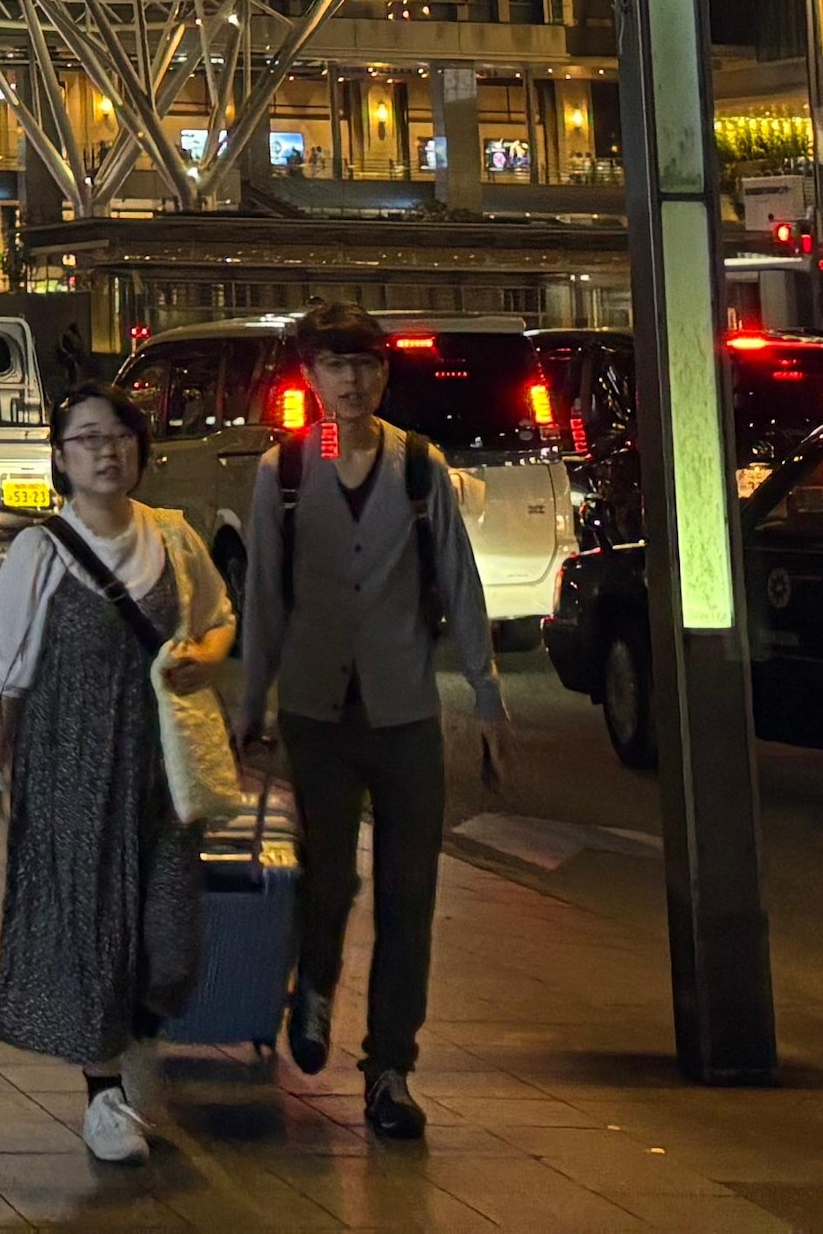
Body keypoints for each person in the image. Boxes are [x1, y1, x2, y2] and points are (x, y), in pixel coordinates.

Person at [232, 299, 506, 1141]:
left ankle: (390, 1067)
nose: (350, 382)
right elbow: (266, 601)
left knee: (409, 896)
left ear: (383, 375)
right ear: (310, 378)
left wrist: (488, 702)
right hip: (316, 711)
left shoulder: (418, 467)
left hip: (405, 713)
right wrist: (252, 710)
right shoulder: (286, 470)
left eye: (364, 366)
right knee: (327, 880)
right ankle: (312, 988)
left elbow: (460, 588)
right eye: (333, 366)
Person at [0, 381, 231, 1166]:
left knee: (173, 940)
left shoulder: (175, 538)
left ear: (139, 449)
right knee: (92, 926)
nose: (105, 451)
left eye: (117, 436)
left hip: (165, 762)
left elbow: (218, 621)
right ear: (60, 459)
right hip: (69, 762)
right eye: (86, 440)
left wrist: (204, 658)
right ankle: (102, 1094)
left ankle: (134, 1036)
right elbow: (1, 676)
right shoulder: (39, 552)